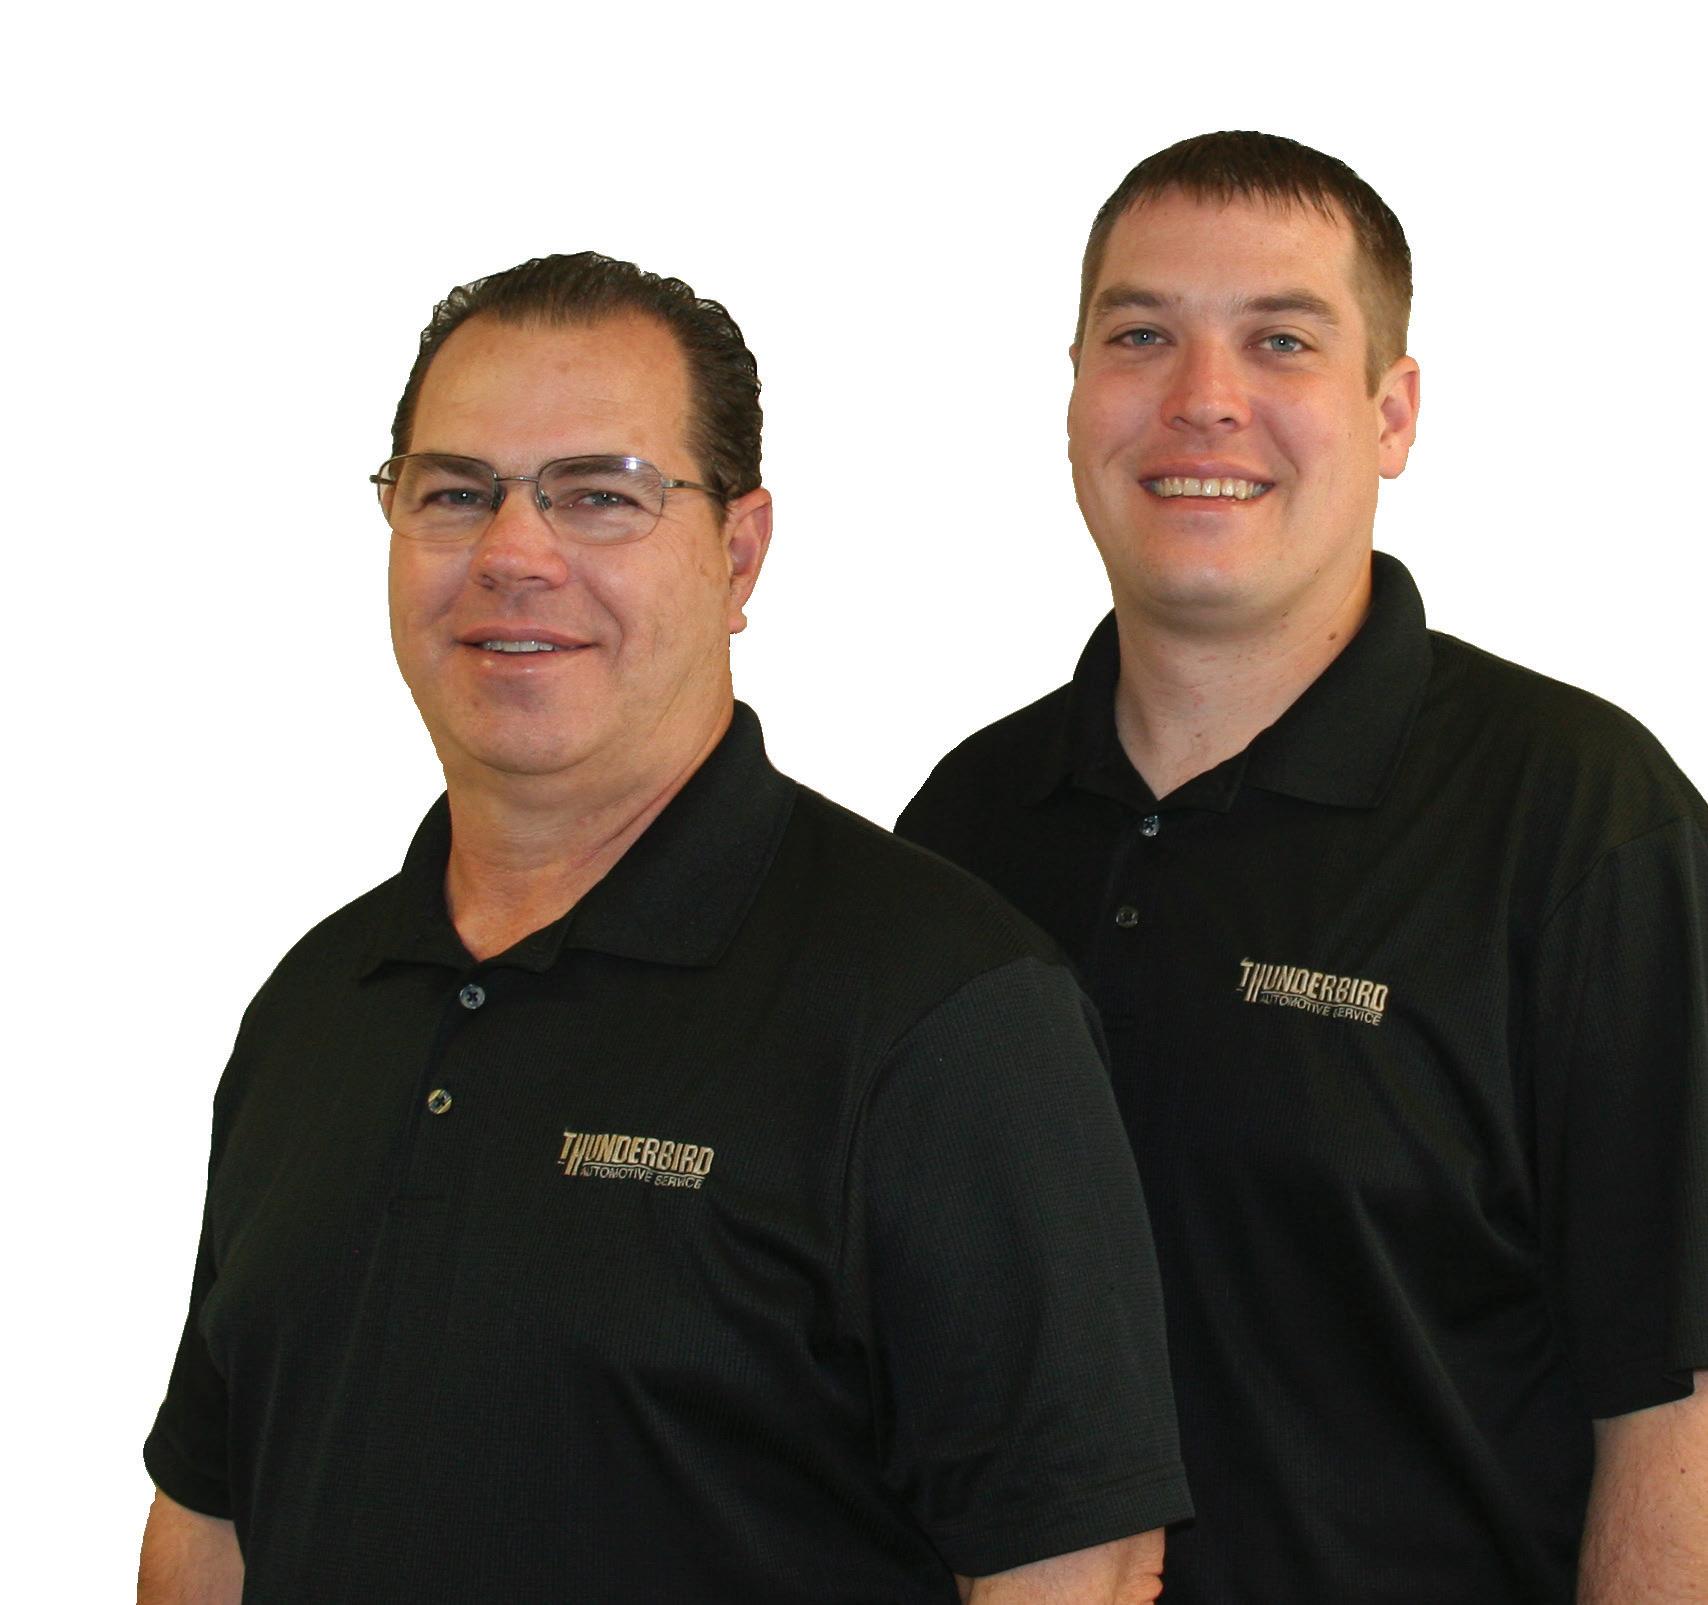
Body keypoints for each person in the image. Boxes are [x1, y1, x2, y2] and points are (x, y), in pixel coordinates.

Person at [137, 253, 1192, 1603]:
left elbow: (1081, 1569)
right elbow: (209, 1526)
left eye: (600, 494)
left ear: (737, 553)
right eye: (455, 493)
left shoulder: (946, 1011)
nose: (514, 554)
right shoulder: (315, 1006)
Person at [898, 131, 1708, 1603]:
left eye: (1280, 339)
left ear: (1391, 413)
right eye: (1141, 336)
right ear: (1074, 395)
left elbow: (1680, 1410)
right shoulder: (964, 828)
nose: (1203, 397)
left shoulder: (1581, 819)